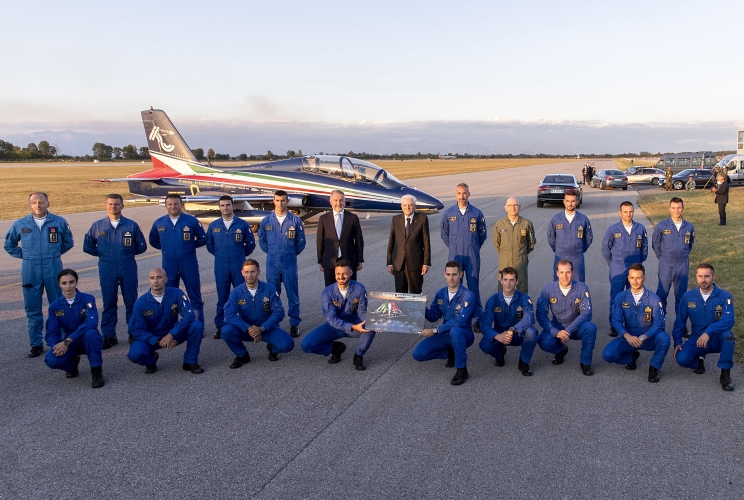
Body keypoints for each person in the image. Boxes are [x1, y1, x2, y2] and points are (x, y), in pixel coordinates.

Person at [4, 192, 74, 357]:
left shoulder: (59, 222)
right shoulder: (20, 224)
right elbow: (9, 244)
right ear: (30, 205)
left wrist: (53, 254)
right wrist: (27, 256)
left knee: (59, 306)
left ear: (47, 203)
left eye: (41, 202)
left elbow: (68, 242)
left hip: (53, 267)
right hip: (30, 269)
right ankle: (36, 343)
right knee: (32, 308)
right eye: (34, 202)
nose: (38, 205)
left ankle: (61, 341)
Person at [83, 193, 147, 349]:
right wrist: (104, 254)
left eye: (117, 204)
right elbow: (88, 246)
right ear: (105, 206)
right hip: (107, 268)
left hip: (127, 266)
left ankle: (134, 332)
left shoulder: (131, 225)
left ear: (122, 206)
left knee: (131, 302)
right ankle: (109, 335)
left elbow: (141, 246)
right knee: (109, 303)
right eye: (110, 204)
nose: (113, 206)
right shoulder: (97, 226)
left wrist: (127, 254)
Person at [127, 268, 205, 374]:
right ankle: (151, 361)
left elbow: (190, 315)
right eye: (152, 278)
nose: (155, 281)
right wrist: (157, 340)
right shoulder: (140, 303)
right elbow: (137, 330)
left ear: (166, 279)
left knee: (197, 325)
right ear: (148, 280)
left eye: (159, 277)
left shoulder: (177, 293)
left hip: (174, 332)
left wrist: (170, 335)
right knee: (135, 353)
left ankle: (190, 361)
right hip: (152, 337)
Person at [601, 264, 670, 383]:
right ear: (628, 278)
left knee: (664, 338)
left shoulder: (654, 299)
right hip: (629, 338)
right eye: (632, 278)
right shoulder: (621, 297)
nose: (635, 281)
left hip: (648, 338)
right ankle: (631, 358)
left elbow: (659, 324)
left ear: (644, 278)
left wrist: (643, 337)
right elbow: (616, 321)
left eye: (638, 278)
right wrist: (627, 336)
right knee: (607, 354)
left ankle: (654, 367)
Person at [301, 260, 374, 370]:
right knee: (306, 345)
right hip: (334, 326)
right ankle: (335, 348)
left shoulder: (359, 288)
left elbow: (362, 312)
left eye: (344, 273)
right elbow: (331, 318)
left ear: (351, 272)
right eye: (338, 273)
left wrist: (375, 322)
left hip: (355, 323)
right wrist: (352, 327)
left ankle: (358, 355)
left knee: (371, 327)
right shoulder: (327, 292)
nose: (341, 277)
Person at [412, 261, 476, 386]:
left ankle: (461, 370)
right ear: (444, 275)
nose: (451, 278)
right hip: (444, 333)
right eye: (448, 274)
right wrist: (422, 306)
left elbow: (460, 322)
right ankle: (452, 353)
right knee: (418, 354)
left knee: (456, 331)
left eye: (454, 274)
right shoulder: (441, 293)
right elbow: (433, 316)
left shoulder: (468, 296)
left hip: (463, 333)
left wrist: (434, 331)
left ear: (461, 275)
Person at [673, 263, 735, 391]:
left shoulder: (725, 297)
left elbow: (729, 320)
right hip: (698, 338)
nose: (703, 280)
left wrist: (709, 332)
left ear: (714, 277)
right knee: (682, 358)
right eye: (700, 276)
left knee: (729, 336)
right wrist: (677, 341)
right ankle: (699, 362)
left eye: (707, 276)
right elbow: (680, 321)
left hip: (717, 338)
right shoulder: (687, 297)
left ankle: (725, 372)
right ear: (696, 277)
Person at [220, 259, 294, 367]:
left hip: (266, 328)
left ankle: (272, 349)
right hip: (246, 330)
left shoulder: (269, 289)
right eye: (246, 272)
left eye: (252, 272)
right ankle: (242, 355)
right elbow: (229, 315)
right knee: (226, 331)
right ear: (242, 273)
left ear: (258, 272)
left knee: (287, 344)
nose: (249, 275)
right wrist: (248, 328)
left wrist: (262, 328)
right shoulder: (236, 292)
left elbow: (278, 313)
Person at [148, 194, 206, 320]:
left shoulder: (191, 221)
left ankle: (197, 323)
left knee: (194, 294)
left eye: (176, 204)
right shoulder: (159, 222)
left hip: (188, 263)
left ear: (181, 205)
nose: (173, 206)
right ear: (165, 206)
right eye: (170, 204)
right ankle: (171, 324)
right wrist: (167, 247)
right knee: (169, 296)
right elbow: (153, 240)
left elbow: (202, 238)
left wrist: (189, 246)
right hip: (169, 264)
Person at [44, 269, 105, 388]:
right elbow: (51, 332)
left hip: (86, 340)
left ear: (76, 282)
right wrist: (56, 346)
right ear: (59, 284)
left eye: (71, 282)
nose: (68, 286)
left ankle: (96, 371)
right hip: (69, 343)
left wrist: (68, 340)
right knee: (51, 359)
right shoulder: (55, 306)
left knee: (92, 334)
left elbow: (91, 323)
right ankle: (72, 365)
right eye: (64, 283)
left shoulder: (88, 299)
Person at [206, 195, 256, 339]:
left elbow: (251, 244)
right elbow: (209, 245)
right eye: (222, 205)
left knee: (242, 296)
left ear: (232, 205)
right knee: (223, 297)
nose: (225, 208)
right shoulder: (214, 226)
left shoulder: (242, 224)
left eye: (228, 205)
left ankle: (245, 325)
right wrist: (220, 254)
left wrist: (239, 254)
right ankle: (221, 325)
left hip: (238, 265)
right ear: (219, 207)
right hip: (221, 266)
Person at [258, 190, 306, 337]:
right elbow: (262, 241)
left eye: (283, 200)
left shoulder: (295, 221)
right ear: (273, 201)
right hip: (272, 262)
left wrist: (289, 253)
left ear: (287, 201)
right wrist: (273, 252)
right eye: (277, 200)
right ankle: (274, 323)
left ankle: (294, 324)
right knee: (272, 294)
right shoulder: (266, 221)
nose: (280, 203)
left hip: (289, 262)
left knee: (292, 294)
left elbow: (301, 242)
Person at [536, 260, 597, 376]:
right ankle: (561, 350)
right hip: (557, 326)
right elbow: (541, 314)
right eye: (562, 272)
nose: (565, 276)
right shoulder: (548, 289)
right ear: (557, 273)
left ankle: (585, 362)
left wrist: (568, 330)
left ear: (573, 272)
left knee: (590, 328)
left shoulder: (582, 288)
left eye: (568, 272)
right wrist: (555, 332)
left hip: (576, 327)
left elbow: (587, 314)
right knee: (544, 342)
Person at [479, 267, 537, 376]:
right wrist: (497, 336)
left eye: (511, 280)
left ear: (517, 281)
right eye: (505, 279)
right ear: (501, 281)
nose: (508, 283)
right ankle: (499, 355)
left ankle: (524, 362)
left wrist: (513, 329)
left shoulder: (524, 298)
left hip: (517, 334)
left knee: (532, 332)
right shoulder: (493, 300)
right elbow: (485, 325)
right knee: (485, 345)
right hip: (500, 334)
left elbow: (529, 318)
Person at [601, 201, 648, 337]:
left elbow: (644, 248)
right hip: (618, 269)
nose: (628, 214)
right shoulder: (613, 229)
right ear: (620, 212)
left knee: (634, 297)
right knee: (616, 298)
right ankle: (614, 325)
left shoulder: (640, 229)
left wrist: (638, 263)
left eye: (631, 211)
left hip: (635, 268)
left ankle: (632, 325)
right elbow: (605, 249)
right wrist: (613, 264)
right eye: (625, 212)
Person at [440, 183, 487, 318]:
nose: (462, 196)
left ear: (469, 194)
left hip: (472, 255)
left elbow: (482, 234)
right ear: (456, 195)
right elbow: (444, 233)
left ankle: (477, 317)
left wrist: (474, 246)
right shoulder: (449, 213)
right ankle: (455, 315)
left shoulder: (476, 213)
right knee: (454, 286)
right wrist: (453, 246)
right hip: (455, 255)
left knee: (473, 286)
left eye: (464, 193)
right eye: (459, 193)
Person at [652, 197, 694, 317]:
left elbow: (690, 243)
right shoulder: (662, 226)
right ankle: (659, 322)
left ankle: (680, 324)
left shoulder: (689, 227)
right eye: (674, 208)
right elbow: (656, 243)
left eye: (679, 208)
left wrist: (683, 253)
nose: (676, 210)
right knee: (661, 295)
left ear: (683, 208)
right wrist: (662, 257)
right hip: (666, 265)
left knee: (681, 296)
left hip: (682, 265)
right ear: (669, 209)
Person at [317, 190, 364, 287]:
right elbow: (320, 241)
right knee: (330, 289)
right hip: (330, 261)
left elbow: (359, 240)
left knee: (350, 288)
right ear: (330, 202)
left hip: (349, 260)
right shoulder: (324, 219)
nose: (338, 203)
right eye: (335, 200)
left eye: (341, 200)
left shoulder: (352, 218)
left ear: (344, 201)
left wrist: (359, 260)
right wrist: (320, 261)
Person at [387, 194, 431, 294]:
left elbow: (426, 242)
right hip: (399, 264)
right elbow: (391, 241)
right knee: (400, 294)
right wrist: (390, 262)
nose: (407, 207)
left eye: (410, 205)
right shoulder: (396, 219)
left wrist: (426, 263)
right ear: (401, 206)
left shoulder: (422, 219)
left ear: (415, 206)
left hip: (415, 263)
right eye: (405, 205)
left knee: (415, 293)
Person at [547, 192, 593, 282]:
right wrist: (558, 249)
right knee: (560, 282)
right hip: (560, 256)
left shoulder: (583, 219)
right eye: (568, 201)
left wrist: (580, 249)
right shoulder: (556, 219)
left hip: (577, 257)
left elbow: (588, 238)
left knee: (578, 283)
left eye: (573, 201)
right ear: (564, 201)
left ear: (577, 201)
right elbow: (551, 237)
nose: (570, 204)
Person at [493, 197, 536, 294]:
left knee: (522, 285)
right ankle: (502, 303)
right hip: (505, 260)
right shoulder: (499, 224)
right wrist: (505, 253)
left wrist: (522, 253)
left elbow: (531, 243)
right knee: (503, 285)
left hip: (520, 260)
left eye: (515, 205)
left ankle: (522, 303)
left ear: (519, 207)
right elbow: (497, 243)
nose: (513, 208)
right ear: (506, 208)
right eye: (510, 205)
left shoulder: (526, 224)